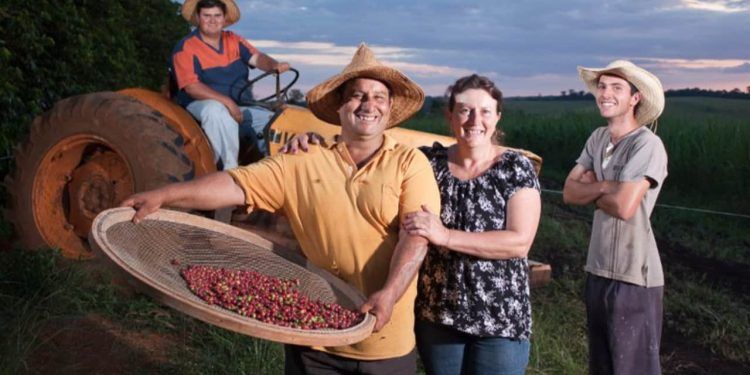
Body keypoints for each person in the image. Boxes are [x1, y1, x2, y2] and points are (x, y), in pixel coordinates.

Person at [123, 43, 440, 374]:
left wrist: (389, 294)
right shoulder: (302, 161)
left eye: (378, 97)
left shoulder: (410, 162)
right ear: (340, 106)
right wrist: (164, 195)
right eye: (357, 95)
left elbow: (416, 236)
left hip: (385, 343)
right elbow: (234, 184)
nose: (368, 104)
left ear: (389, 109)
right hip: (315, 336)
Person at [282, 74, 542, 375]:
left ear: (497, 117)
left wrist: (444, 236)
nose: (474, 120)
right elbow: (369, 147)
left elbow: (519, 242)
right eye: (464, 110)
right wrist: (314, 142)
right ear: (450, 115)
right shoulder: (428, 163)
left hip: (499, 317)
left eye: (485, 111)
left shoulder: (515, 167)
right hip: (438, 313)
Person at [562, 60, 668, 375]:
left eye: (616, 87)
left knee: (633, 368)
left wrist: (592, 189)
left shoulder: (647, 144)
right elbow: (568, 192)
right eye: (603, 86)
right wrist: (608, 186)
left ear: (635, 98)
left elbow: (624, 207)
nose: (605, 93)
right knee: (602, 365)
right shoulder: (598, 138)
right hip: (598, 266)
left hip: (634, 275)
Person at [172, 0, 290, 170]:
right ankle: (229, 172)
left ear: (224, 18)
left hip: (238, 104)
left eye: (217, 15)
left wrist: (274, 65)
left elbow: (257, 58)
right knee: (216, 110)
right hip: (199, 105)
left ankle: (276, 171)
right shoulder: (186, 47)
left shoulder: (233, 40)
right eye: (207, 15)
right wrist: (227, 103)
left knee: (275, 121)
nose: (212, 20)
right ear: (198, 18)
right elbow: (192, 87)